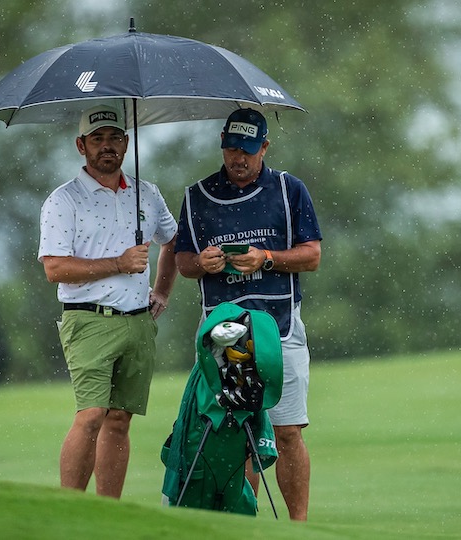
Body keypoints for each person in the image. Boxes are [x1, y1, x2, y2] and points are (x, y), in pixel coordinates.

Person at [174, 108, 322, 520]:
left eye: (248, 150)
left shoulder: (289, 190)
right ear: (222, 145)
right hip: (225, 332)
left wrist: (267, 259)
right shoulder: (197, 196)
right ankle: (245, 524)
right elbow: (183, 262)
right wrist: (203, 263)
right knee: (235, 436)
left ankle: (298, 528)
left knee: (288, 432)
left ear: (265, 147)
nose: (238, 158)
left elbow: (312, 256)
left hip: (280, 326)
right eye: (231, 148)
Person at [38, 103, 178, 497]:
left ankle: (108, 514)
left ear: (127, 143)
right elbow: (55, 268)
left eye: (115, 138)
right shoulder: (63, 200)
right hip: (89, 319)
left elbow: (174, 241)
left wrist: (162, 292)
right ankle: (73, 508)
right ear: (80, 145)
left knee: (119, 419)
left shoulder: (146, 194)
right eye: (97, 139)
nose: (107, 146)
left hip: (137, 320)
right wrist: (118, 262)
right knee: (91, 415)